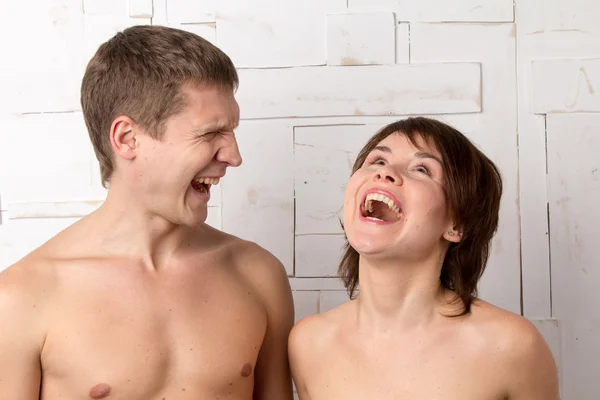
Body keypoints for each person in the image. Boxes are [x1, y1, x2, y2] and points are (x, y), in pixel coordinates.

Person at [0, 25, 295, 399]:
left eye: (232, 132)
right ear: (127, 139)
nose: (233, 156)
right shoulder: (23, 297)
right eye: (209, 134)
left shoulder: (258, 275)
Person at [288, 117, 560, 400]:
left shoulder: (511, 346)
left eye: (422, 169)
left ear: (456, 224)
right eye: (377, 161)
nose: (385, 173)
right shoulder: (309, 343)